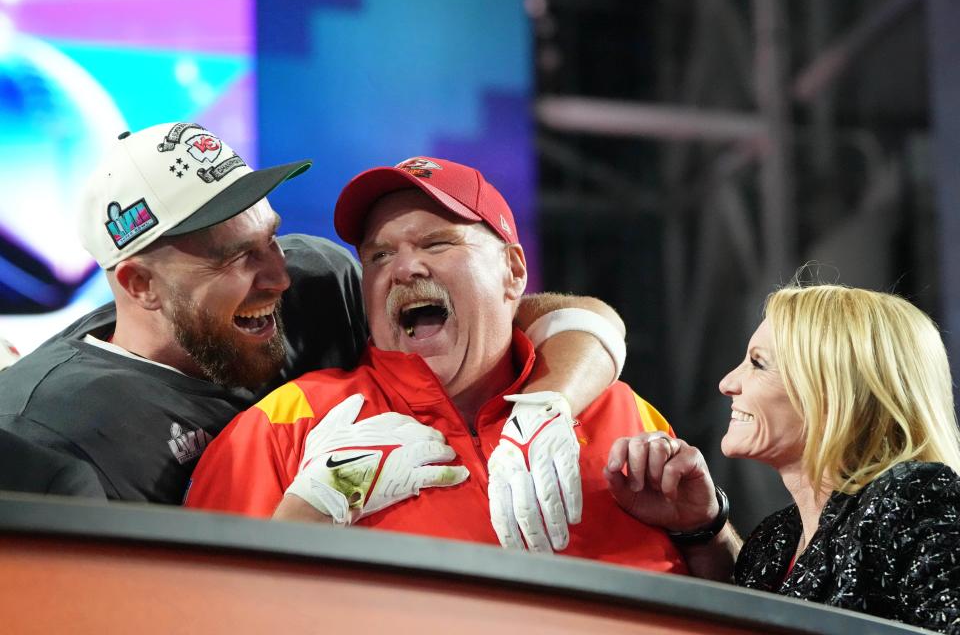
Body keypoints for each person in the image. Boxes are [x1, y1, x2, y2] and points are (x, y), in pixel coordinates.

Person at [0, 123, 625, 506]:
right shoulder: (48, 434)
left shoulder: (317, 280)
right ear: (141, 285)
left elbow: (514, 317)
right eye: (236, 259)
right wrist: (315, 508)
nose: (277, 275)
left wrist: (551, 404)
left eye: (269, 236)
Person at [185, 156, 686, 572]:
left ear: (512, 272)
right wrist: (312, 511)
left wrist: (706, 529)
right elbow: (200, 614)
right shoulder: (284, 427)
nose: (404, 268)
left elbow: (720, 590)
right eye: (378, 256)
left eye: (436, 243)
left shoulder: (617, 411)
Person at [606, 284, 960, 631]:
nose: (728, 383)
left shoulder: (915, 496)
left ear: (831, 390)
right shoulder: (776, 538)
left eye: (758, 364)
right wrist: (703, 527)